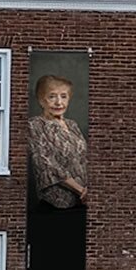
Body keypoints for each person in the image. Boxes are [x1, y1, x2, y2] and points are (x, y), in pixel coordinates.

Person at [28, 74, 88, 209]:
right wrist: (81, 190)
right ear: (41, 100)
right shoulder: (34, 125)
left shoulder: (72, 125)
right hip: (56, 205)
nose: (59, 102)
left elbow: (85, 159)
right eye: (52, 96)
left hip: (83, 202)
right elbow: (47, 165)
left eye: (64, 96)